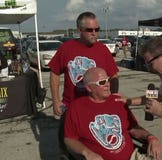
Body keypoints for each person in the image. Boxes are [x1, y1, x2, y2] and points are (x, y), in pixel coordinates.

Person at [48, 11, 119, 159]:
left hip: (95, 108)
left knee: (93, 145)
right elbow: (54, 73)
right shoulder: (66, 48)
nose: (94, 33)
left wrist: (111, 99)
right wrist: (55, 101)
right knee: (66, 143)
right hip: (70, 106)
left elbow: (114, 76)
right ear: (79, 30)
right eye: (90, 30)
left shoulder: (102, 50)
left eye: (97, 29)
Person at [64, 67, 161, 160]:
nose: (107, 84)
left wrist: (151, 137)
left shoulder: (117, 101)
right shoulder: (76, 108)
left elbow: (133, 128)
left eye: (107, 80)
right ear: (89, 88)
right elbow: (69, 139)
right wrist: (87, 153)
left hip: (132, 156)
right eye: (102, 82)